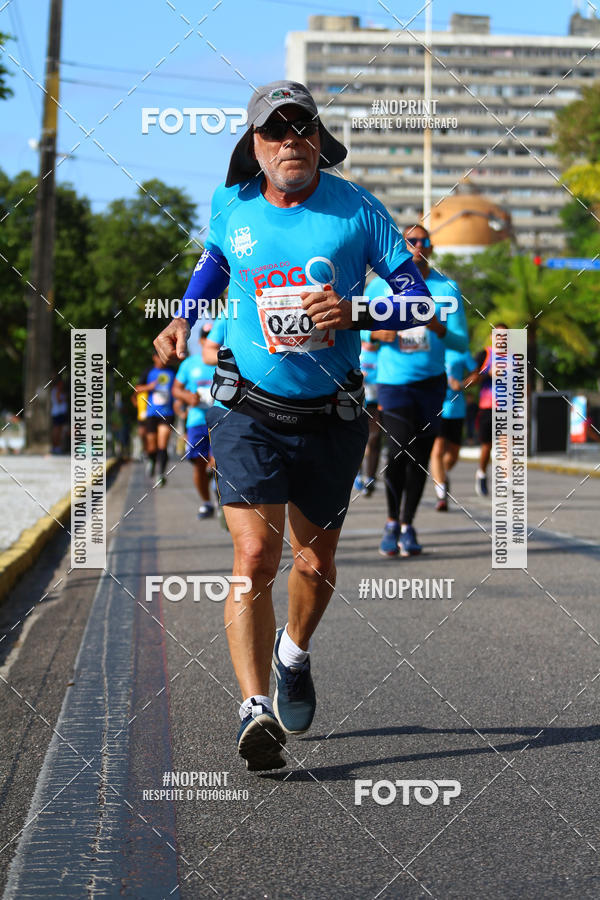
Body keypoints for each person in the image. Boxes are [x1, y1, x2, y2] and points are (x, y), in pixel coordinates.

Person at [153, 80, 440, 771]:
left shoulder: (358, 209)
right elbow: (214, 265)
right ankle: (254, 708)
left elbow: (420, 303)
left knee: (314, 562)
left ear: (319, 139)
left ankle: (294, 652)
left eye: (302, 128)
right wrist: (182, 318)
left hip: (331, 413)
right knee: (255, 555)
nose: (290, 142)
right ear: (254, 145)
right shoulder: (231, 204)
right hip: (246, 407)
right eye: (275, 131)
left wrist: (357, 312)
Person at [366, 224, 468, 557]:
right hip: (393, 383)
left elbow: (461, 343)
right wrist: (374, 335)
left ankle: (407, 525)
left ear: (431, 248)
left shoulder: (446, 289)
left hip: (431, 384)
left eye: (423, 241)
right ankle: (391, 522)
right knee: (397, 450)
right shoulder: (379, 287)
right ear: (401, 246)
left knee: (421, 457)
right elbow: (354, 329)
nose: (417, 246)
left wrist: (439, 328)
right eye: (410, 241)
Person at [172, 323, 217, 519]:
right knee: (199, 463)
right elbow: (176, 389)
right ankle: (207, 503)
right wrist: (188, 397)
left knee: (217, 460)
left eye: (213, 336)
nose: (210, 340)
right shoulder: (189, 364)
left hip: (221, 419)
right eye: (206, 336)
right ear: (200, 341)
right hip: (197, 420)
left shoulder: (226, 361)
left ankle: (223, 498)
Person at [430, 348, 478, 511]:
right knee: (437, 450)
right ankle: (441, 494)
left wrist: (463, 384)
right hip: (436, 407)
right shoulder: (432, 346)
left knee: (453, 455)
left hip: (456, 409)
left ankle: (440, 475)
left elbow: (476, 375)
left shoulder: (461, 350)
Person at [474, 322, 508, 497]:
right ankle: (481, 473)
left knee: (505, 444)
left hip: (507, 408)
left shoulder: (514, 358)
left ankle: (505, 481)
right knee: (487, 446)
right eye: (498, 335)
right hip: (487, 407)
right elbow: (472, 378)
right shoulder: (485, 355)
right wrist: (487, 374)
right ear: (492, 337)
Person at [135, 353, 176, 486]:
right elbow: (137, 389)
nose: (162, 359)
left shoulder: (172, 372)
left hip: (167, 413)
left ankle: (161, 474)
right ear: (154, 357)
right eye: (159, 356)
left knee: (162, 444)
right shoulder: (148, 372)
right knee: (152, 446)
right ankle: (151, 459)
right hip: (151, 413)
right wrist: (149, 387)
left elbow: (178, 388)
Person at [354, 330, 381, 496]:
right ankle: (357, 474)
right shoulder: (357, 353)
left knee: (374, 440)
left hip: (376, 403)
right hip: (358, 401)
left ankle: (371, 477)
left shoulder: (381, 354)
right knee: (359, 440)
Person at [50, 374, 68, 454]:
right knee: (57, 430)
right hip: (58, 413)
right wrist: (65, 398)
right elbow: (58, 400)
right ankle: (56, 447)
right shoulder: (57, 390)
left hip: (59, 413)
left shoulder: (57, 390)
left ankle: (57, 447)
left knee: (59, 430)